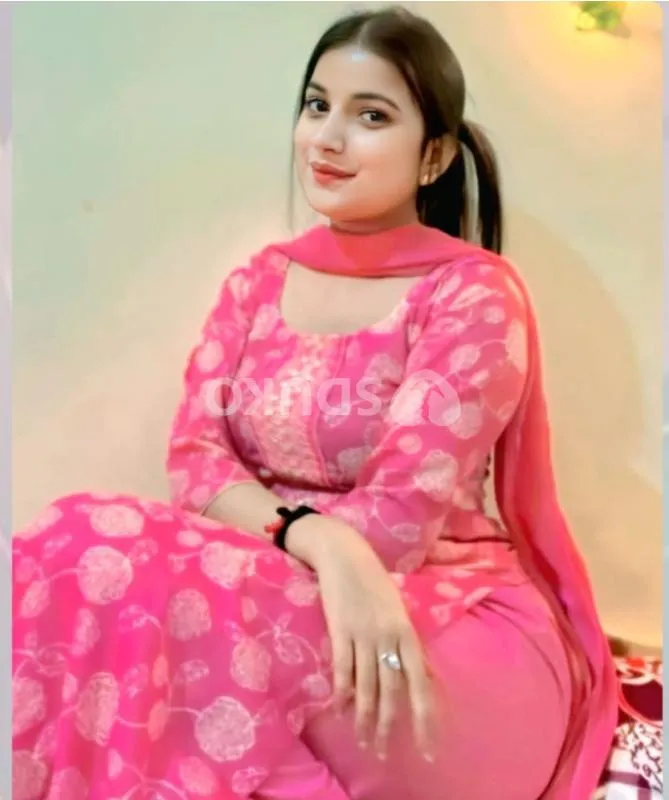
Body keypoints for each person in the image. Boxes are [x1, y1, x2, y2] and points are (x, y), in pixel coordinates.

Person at [11, 7, 617, 800]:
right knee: (74, 541)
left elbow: (396, 524)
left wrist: (321, 551)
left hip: (424, 620)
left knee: (128, 577)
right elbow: (195, 459)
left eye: (371, 116)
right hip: (279, 581)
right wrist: (316, 539)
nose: (327, 138)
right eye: (316, 105)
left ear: (434, 155)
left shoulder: (468, 294)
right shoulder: (259, 280)